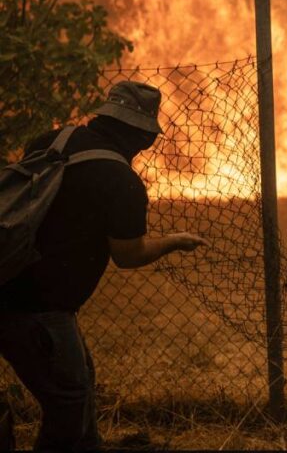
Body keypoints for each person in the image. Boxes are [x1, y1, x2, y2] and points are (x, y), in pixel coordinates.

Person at [0, 81, 209, 451]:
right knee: (69, 400)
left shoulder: (52, 141)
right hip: (38, 309)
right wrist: (174, 241)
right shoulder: (120, 182)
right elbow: (129, 256)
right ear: (142, 134)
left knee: (80, 381)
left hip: (8, 282)